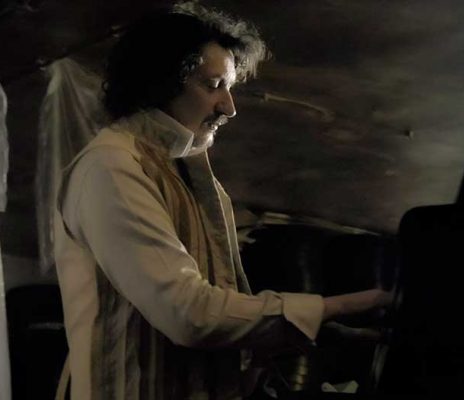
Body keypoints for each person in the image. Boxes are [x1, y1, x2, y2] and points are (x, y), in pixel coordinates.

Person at [53, 3, 392, 399]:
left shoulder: (191, 173)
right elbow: (188, 314)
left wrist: (311, 333)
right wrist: (340, 306)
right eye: (213, 85)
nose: (229, 107)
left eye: (228, 88)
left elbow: (217, 317)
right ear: (160, 83)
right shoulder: (111, 166)